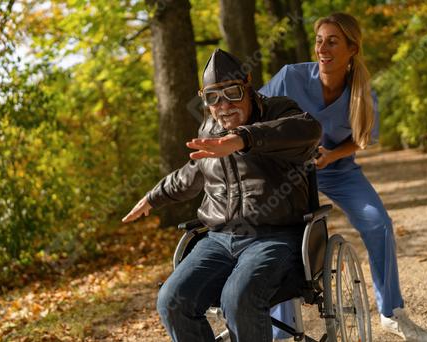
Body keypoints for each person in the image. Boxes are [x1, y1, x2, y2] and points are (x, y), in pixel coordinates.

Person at [122, 48, 322, 342]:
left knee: (238, 297)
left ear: (248, 85)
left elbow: (308, 129)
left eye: (232, 93)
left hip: (274, 237)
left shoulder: (280, 111)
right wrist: (153, 197)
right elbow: (190, 175)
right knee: (172, 300)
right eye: (213, 97)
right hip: (217, 239)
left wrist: (243, 139)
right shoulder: (209, 129)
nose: (224, 105)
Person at [261, 13, 427, 342]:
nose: (322, 48)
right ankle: (279, 330)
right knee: (282, 235)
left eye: (332, 41)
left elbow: (362, 137)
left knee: (378, 222)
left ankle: (391, 313)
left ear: (352, 48)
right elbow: (256, 111)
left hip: (337, 169)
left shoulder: (362, 92)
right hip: (289, 172)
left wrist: (333, 155)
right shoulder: (290, 78)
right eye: (319, 40)